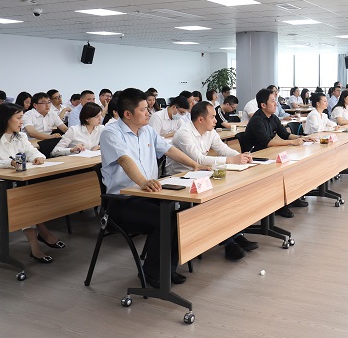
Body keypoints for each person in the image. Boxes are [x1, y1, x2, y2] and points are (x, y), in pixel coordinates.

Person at [100, 88, 209, 288]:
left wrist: (195, 165)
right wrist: (142, 182)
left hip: (150, 194)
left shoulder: (147, 130)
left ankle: (168, 268)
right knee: (166, 218)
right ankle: (151, 274)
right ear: (127, 114)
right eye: (143, 110)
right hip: (123, 201)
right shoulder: (111, 132)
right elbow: (124, 160)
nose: (149, 113)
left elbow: (169, 149)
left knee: (181, 212)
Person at [0, 103, 64, 264]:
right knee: (24, 200)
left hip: (17, 185)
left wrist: (39, 157)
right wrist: (9, 163)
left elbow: (33, 152)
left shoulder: (21, 136)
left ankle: (43, 234)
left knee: (32, 197)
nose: (22, 121)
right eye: (19, 118)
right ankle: (36, 245)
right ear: (6, 119)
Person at [168, 101, 256, 259]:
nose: (216, 120)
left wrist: (240, 156)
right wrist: (230, 160)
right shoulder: (184, 133)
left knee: (230, 193)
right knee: (217, 199)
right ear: (200, 119)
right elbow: (199, 159)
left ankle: (236, 235)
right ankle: (230, 243)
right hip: (182, 179)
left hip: (202, 175)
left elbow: (223, 149)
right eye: (213, 117)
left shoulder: (210, 131)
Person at [241, 89, 314, 218]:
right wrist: (291, 143)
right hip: (257, 157)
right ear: (263, 105)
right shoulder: (257, 120)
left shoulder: (273, 117)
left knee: (292, 165)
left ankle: (292, 198)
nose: (276, 104)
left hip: (269, 153)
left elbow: (284, 134)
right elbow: (267, 142)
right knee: (282, 169)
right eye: (273, 101)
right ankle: (280, 205)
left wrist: (301, 138)